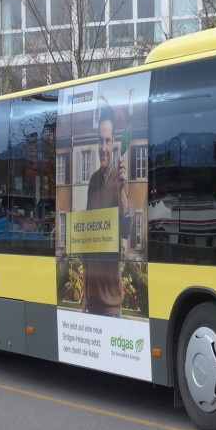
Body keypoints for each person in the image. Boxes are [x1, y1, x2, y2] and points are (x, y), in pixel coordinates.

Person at [81, 105, 132, 316]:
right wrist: (84, 292)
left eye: (108, 141)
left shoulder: (120, 180)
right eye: (100, 141)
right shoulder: (93, 182)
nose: (103, 147)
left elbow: (126, 231)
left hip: (111, 304)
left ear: (113, 143)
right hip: (92, 301)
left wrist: (121, 190)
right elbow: (87, 241)